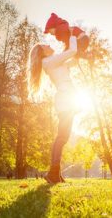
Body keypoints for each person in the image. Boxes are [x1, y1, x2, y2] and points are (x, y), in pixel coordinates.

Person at [27, 36, 79, 184]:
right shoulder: (49, 61)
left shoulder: (53, 62)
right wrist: (72, 34)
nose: (49, 45)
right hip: (65, 100)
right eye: (45, 45)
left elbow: (73, 60)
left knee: (63, 137)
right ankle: (53, 173)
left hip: (67, 100)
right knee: (62, 137)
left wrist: (82, 53)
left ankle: (56, 173)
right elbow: (72, 50)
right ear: (43, 52)